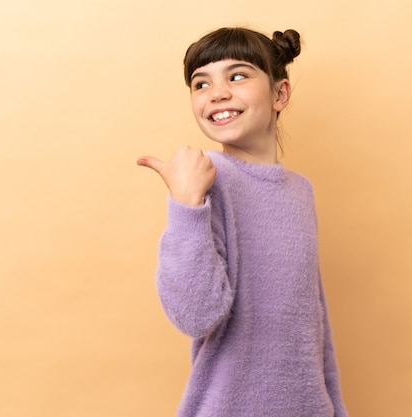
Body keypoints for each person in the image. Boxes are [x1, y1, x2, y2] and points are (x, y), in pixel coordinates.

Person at [137, 26, 349, 417]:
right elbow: (195, 314)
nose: (216, 93)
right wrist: (187, 204)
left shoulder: (301, 191)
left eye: (237, 76)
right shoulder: (206, 178)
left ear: (280, 94)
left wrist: (333, 406)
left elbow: (313, 321)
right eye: (201, 84)